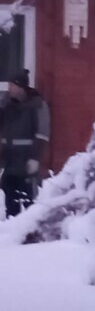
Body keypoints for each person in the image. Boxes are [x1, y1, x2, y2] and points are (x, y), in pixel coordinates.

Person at [0, 69, 50, 217]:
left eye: (12, 86)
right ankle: (12, 233)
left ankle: (30, 234)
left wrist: (34, 158)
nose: (9, 89)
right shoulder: (7, 105)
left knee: (29, 202)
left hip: (27, 160)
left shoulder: (38, 105)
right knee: (10, 202)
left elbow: (43, 133)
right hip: (9, 161)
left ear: (21, 87)